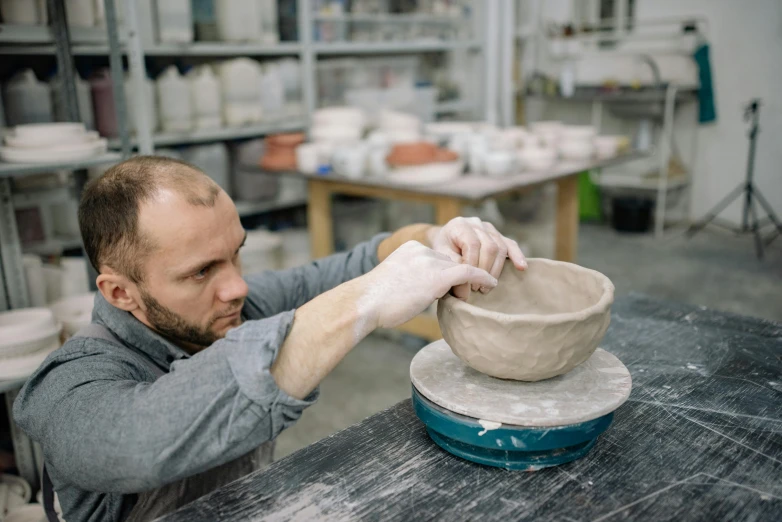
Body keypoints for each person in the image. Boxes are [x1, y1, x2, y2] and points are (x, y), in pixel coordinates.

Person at [14, 156, 527, 522]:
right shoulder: (72, 386)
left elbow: (363, 260)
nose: (237, 286)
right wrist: (365, 301)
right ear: (120, 292)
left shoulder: (232, 306)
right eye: (200, 272)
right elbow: (140, 438)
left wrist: (434, 237)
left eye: (235, 253)